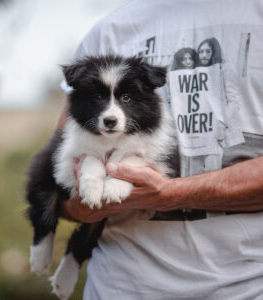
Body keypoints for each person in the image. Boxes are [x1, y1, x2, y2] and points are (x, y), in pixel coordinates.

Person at [57, 0, 263, 298]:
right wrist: (82, 200)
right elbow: (59, 179)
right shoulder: (109, 31)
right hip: (120, 289)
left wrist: (169, 195)